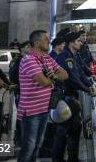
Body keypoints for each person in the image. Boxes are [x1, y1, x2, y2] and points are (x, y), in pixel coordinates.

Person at [17, 30, 68, 162]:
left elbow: (65, 74)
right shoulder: (28, 60)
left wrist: (55, 75)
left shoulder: (47, 58)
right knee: (28, 147)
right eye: (46, 39)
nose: (49, 41)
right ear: (37, 42)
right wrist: (53, 78)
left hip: (44, 109)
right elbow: (44, 82)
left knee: (37, 146)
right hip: (31, 112)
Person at [53, 31, 93, 162]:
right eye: (78, 41)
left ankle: (73, 157)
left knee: (75, 127)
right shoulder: (65, 57)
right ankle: (59, 159)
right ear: (71, 43)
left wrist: (90, 84)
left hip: (71, 97)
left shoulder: (73, 56)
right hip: (64, 97)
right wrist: (87, 88)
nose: (81, 43)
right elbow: (72, 78)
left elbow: (80, 73)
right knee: (63, 130)